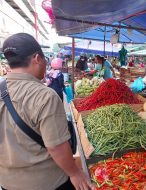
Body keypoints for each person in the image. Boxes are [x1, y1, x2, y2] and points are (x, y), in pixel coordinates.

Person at [0, 33, 95, 190]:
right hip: (47, 183)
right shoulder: (44, 95)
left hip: (7, 183)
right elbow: (56, 146)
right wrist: (74, 174)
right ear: (37, 58)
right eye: (45, 59)